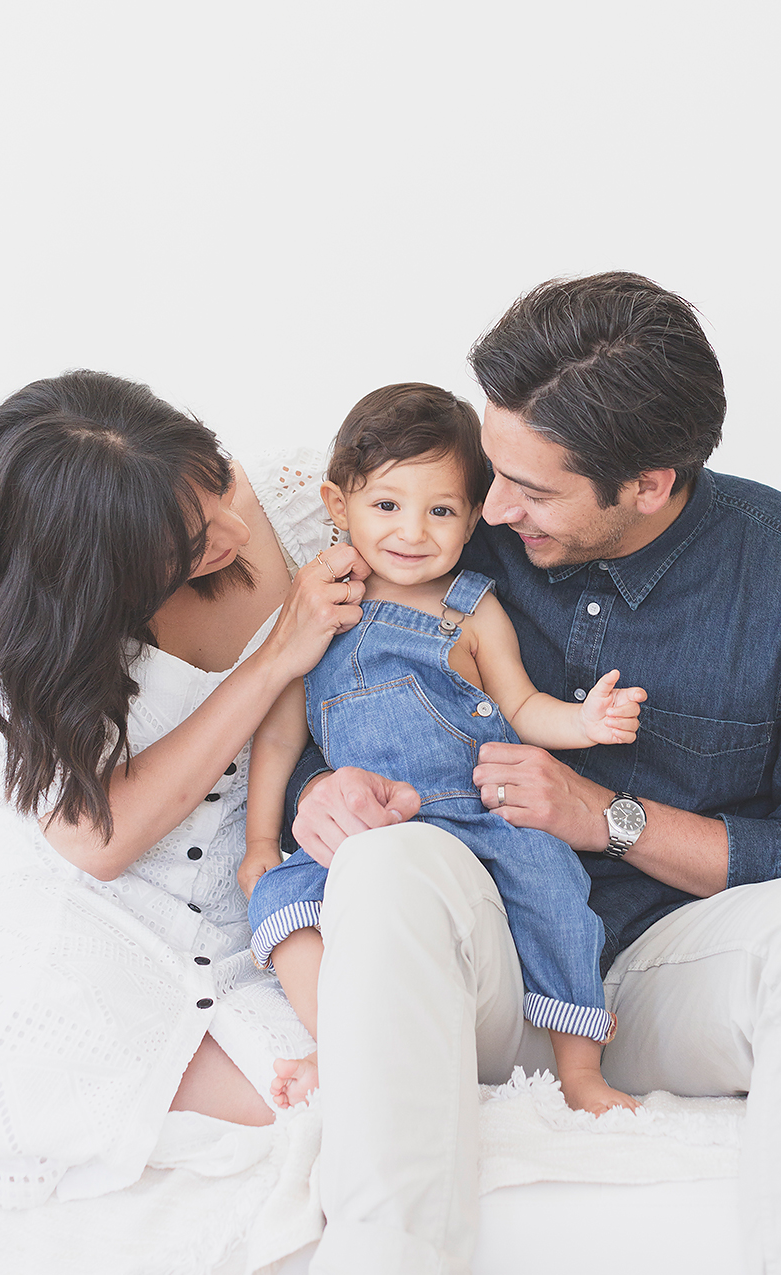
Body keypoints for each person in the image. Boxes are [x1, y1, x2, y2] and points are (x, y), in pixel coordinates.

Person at [286, 274, 781, 1275]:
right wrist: (320, 798)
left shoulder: (764, 569)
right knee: (383, 866)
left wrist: (611, 819)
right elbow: (319, 711)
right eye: (492, 470)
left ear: (647, 482)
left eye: (533, 490)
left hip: (658, 965)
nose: (491, 510)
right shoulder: (433, 522)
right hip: (467, 965)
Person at [0, 370, 368, 1210]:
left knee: (345, 1098)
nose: (235, 530)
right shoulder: (40, 633)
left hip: (261, 908)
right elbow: (98, 843)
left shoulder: (304, 501)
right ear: (108, 576)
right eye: (193, 540)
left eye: (220, 483)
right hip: (97, 910)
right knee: (29, 1095)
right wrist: (279, 653)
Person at [240, 383, 645, 1116]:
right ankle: (343, 1039)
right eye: (387, 505)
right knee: (281, 900)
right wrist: (260, 838)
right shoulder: (322, 608)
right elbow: (279, 732)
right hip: (369, 830)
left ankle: (580, 1069)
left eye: (441, 510)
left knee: (557, 896)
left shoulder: (473, 606)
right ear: (339, 507)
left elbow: (520, 705)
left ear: (473, 518)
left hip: (483, 811)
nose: (413, 531)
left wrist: (585, 722)